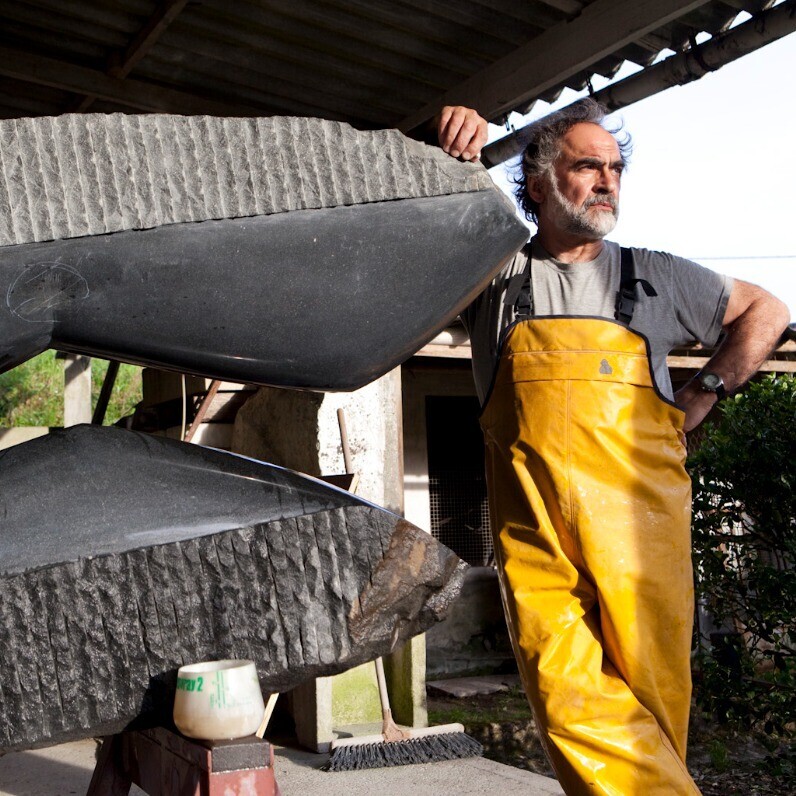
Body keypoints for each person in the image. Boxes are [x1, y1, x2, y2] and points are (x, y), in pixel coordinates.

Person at [435, 100, 790, 795]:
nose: (607, 181)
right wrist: (456, 156)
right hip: (537, 536)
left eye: (615, 168)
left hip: (642, 530)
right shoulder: (490, 276)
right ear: (537, 185)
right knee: (561, 692)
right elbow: (426, 232)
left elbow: (767, 311)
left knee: (653, 710)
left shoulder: (655, 275)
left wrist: (706, 390)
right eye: (587, 166)